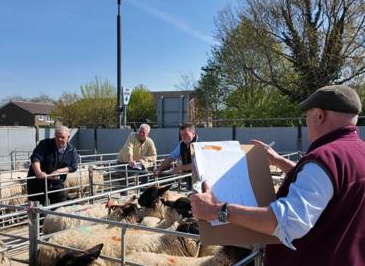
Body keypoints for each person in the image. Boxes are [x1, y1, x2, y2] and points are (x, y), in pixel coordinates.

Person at [190, 85, 365, 265]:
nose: (306, 122)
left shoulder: (326, 158)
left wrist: (218, 210)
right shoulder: (358, 152)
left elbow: (289, 222)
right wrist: (278, 160)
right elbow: (327, 189)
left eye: (307, 115)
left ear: (320, 116)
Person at [27, 125, 79, 205]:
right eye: (57, 136)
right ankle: (39, 217)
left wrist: (58, 171)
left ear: (68, 137)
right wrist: (39, 172)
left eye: (62, 137)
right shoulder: (45, 144)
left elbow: (74, 166)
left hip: (56, 182)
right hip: (38, 182)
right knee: (37, 209)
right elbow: (35, 158)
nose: (59, 139)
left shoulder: (71, 149)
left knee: (60, 206)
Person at [153, 123, 197, 190]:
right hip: (189, 179)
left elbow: (197, 165)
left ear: (193, 134)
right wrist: (159, 169)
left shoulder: (199, 146)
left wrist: (181, 167)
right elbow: (171, 157)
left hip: (199, 180)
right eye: (182, 135)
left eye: (186, 134)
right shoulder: (181, 145)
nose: (183, 137)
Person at [116, 124, 157, 191]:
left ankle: (142, 193)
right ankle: (123, 196)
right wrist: (130, 159)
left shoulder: (149, 142)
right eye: (140, 131)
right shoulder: (132, 135)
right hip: (123, 161)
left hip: (136, 163)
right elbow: (129, 148)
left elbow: (154, 156)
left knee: (145, 174)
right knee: (124, 178)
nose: (141, 134)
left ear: (147, 134)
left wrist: (144, 160)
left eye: (143, 132)